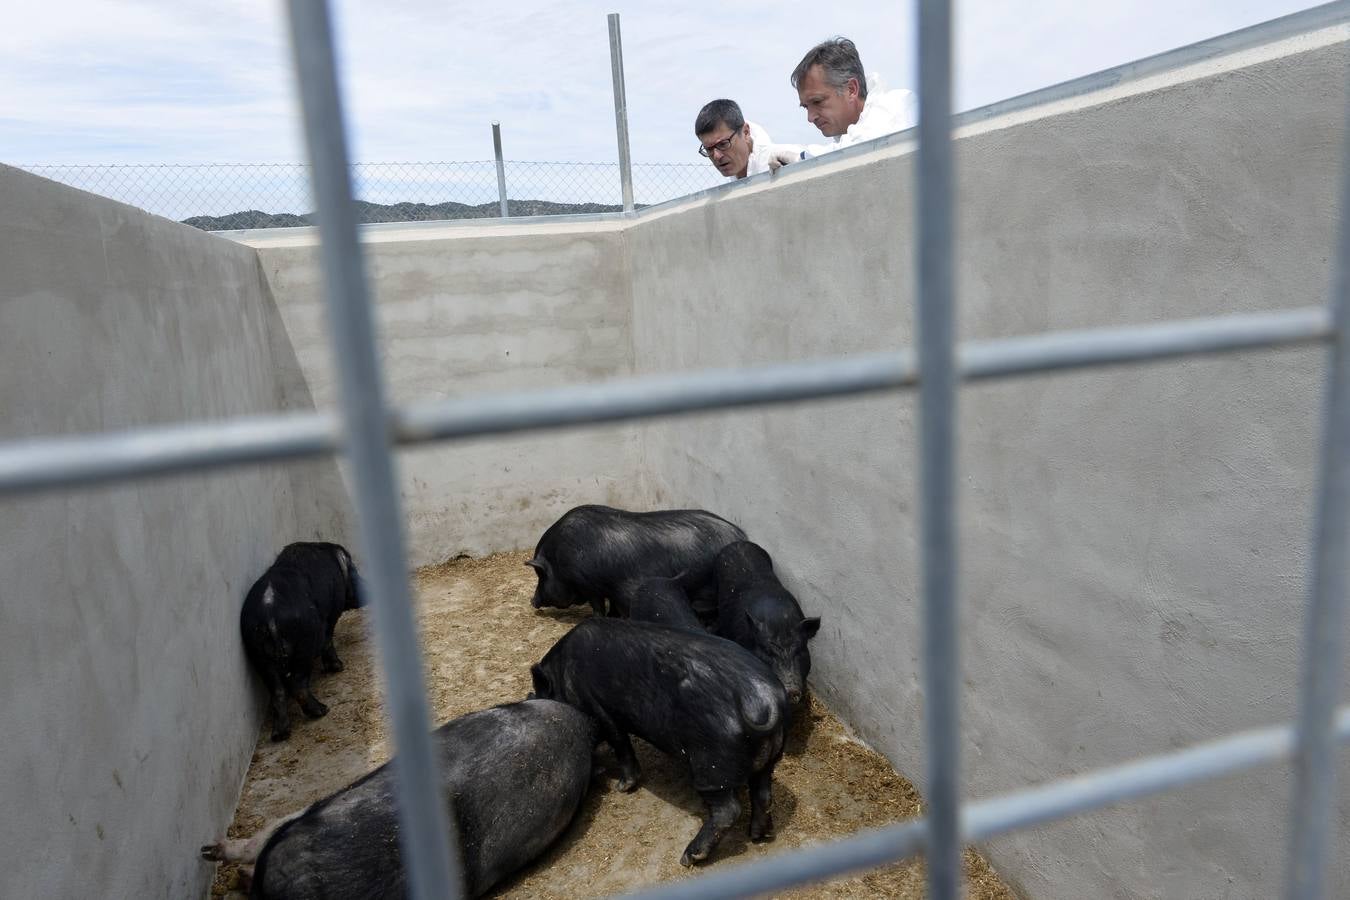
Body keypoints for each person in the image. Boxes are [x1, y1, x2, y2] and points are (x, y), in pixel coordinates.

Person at [766, 37, 916, 171]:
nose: (810, 118)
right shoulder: (846, 137)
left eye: (817, 101)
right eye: (806, 107)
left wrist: (800, 158)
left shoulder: (897, 106)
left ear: (851, 89)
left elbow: (863, 147)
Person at [695, 99, 774, 180]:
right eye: (709, 149)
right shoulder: (736, 175)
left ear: (745, 132)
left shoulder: (780, 165)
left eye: (723, 144)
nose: (717, 156)